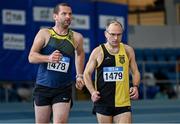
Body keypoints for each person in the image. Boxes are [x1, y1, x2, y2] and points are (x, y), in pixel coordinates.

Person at [28, 3, 85, 123]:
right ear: (55, 16)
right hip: (43, 87)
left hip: (63, 88)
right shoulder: (44, 34)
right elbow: (31, 57)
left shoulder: (77, 37)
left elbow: (79, 54)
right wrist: (48, 58)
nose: (68, 16)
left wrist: (79, 75)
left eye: (70, 14)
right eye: (64, 13)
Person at [83, 20, 140, 123]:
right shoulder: (98, 52)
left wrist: (135, 86)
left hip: (123, 102)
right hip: (103, 102)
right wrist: (92, 92)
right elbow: (86, 74)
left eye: (119, 35)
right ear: (106, 34)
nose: (115, 38)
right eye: (112, 34)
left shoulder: (128, 50)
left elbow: (135, 71)